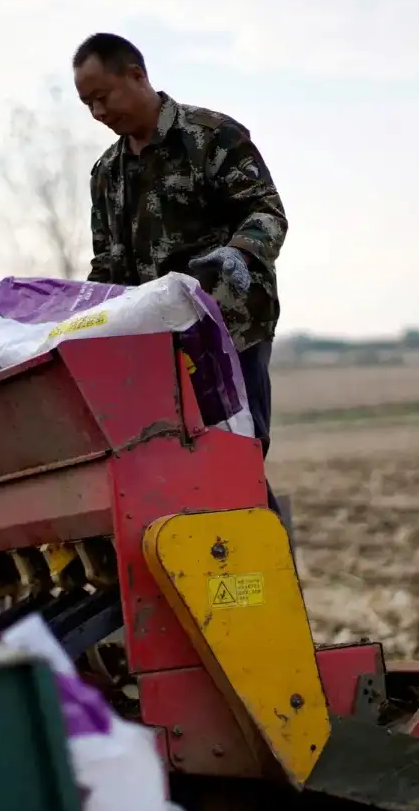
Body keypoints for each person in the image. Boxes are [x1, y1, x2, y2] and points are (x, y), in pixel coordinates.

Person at [72, 32, 288, 515]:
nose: (98, 114)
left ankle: (269, 582)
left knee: (236, 459)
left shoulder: (211, 137)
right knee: (167, 472)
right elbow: (107, 263)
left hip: (227, 332)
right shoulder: (106, 173)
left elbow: (266, 213)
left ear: (137, 75)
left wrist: (239, 255)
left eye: (102, 98)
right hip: (150, 348)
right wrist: (81, 316)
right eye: (87, 104)